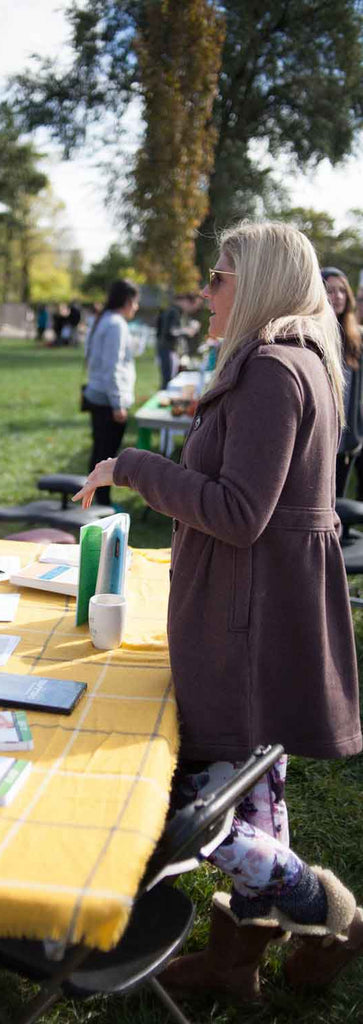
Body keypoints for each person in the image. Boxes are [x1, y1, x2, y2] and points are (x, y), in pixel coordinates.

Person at [74, 222, 363, 1000]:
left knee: (196, 806)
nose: (206, 291)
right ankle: (238, 962)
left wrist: (132, 466)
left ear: (260, 281)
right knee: (247, 784)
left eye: (219, 276)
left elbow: (238, 511)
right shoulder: (289, 360)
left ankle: (329, 915)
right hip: (262, 606)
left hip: (249, 614)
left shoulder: (272, 368)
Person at [82, 279, 139, 506]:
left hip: (97, 394)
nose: (136, 308)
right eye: (135, 302)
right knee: (105, 455)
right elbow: (112, 366)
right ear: (127, 301)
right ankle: (102, 503)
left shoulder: (103, 320)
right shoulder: (116, 324)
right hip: (107, 400)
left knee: (99, 450)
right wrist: (118, 404)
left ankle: (94, 498)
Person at [321, 267, 363, 497]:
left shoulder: (355, 338)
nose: (337, 296)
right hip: (319, 438)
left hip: (346, 440)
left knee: (340, 502)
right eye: (330, 290)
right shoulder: (310, 335)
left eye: (341, 291)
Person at [156, 293, 201, 388]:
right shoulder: (174, 311)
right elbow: (172, 331)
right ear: (186, 301)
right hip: (167, 349)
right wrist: (188, 330)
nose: (193, 309)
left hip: (168, 349)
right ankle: (164, 401)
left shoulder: (174, 311)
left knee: (169, 379)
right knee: (168, 381)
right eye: (193, 305)